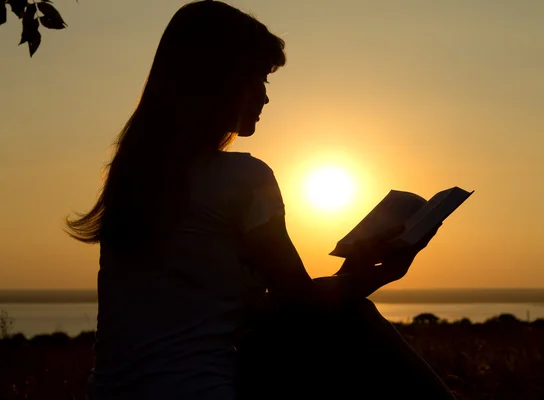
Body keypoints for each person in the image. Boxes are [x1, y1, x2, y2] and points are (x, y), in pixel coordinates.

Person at [66, 1, 457, 399]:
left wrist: (353, 271)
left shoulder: (135, 178)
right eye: (260, 79)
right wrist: (383, 272)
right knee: (353, 318)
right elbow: (302, 306)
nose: (266, 97)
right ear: (222, 81)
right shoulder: (245, 178)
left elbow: (256, 311)